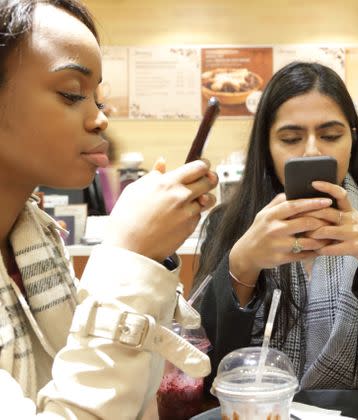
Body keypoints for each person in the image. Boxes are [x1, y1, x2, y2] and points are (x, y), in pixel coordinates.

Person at [0, 0, 218, 417]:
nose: (100, 119)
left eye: (97, 98)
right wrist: (129, 258)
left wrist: (151, 254)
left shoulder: (35, 240)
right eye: (71, 93)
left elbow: (125, 394)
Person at [195, 62, 358, 390]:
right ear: (267, 146)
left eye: (330, 135)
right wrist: (243, 264)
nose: (312, 150)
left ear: (352, 140)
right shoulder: (229, 225)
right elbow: (203, 362)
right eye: (290, 138)